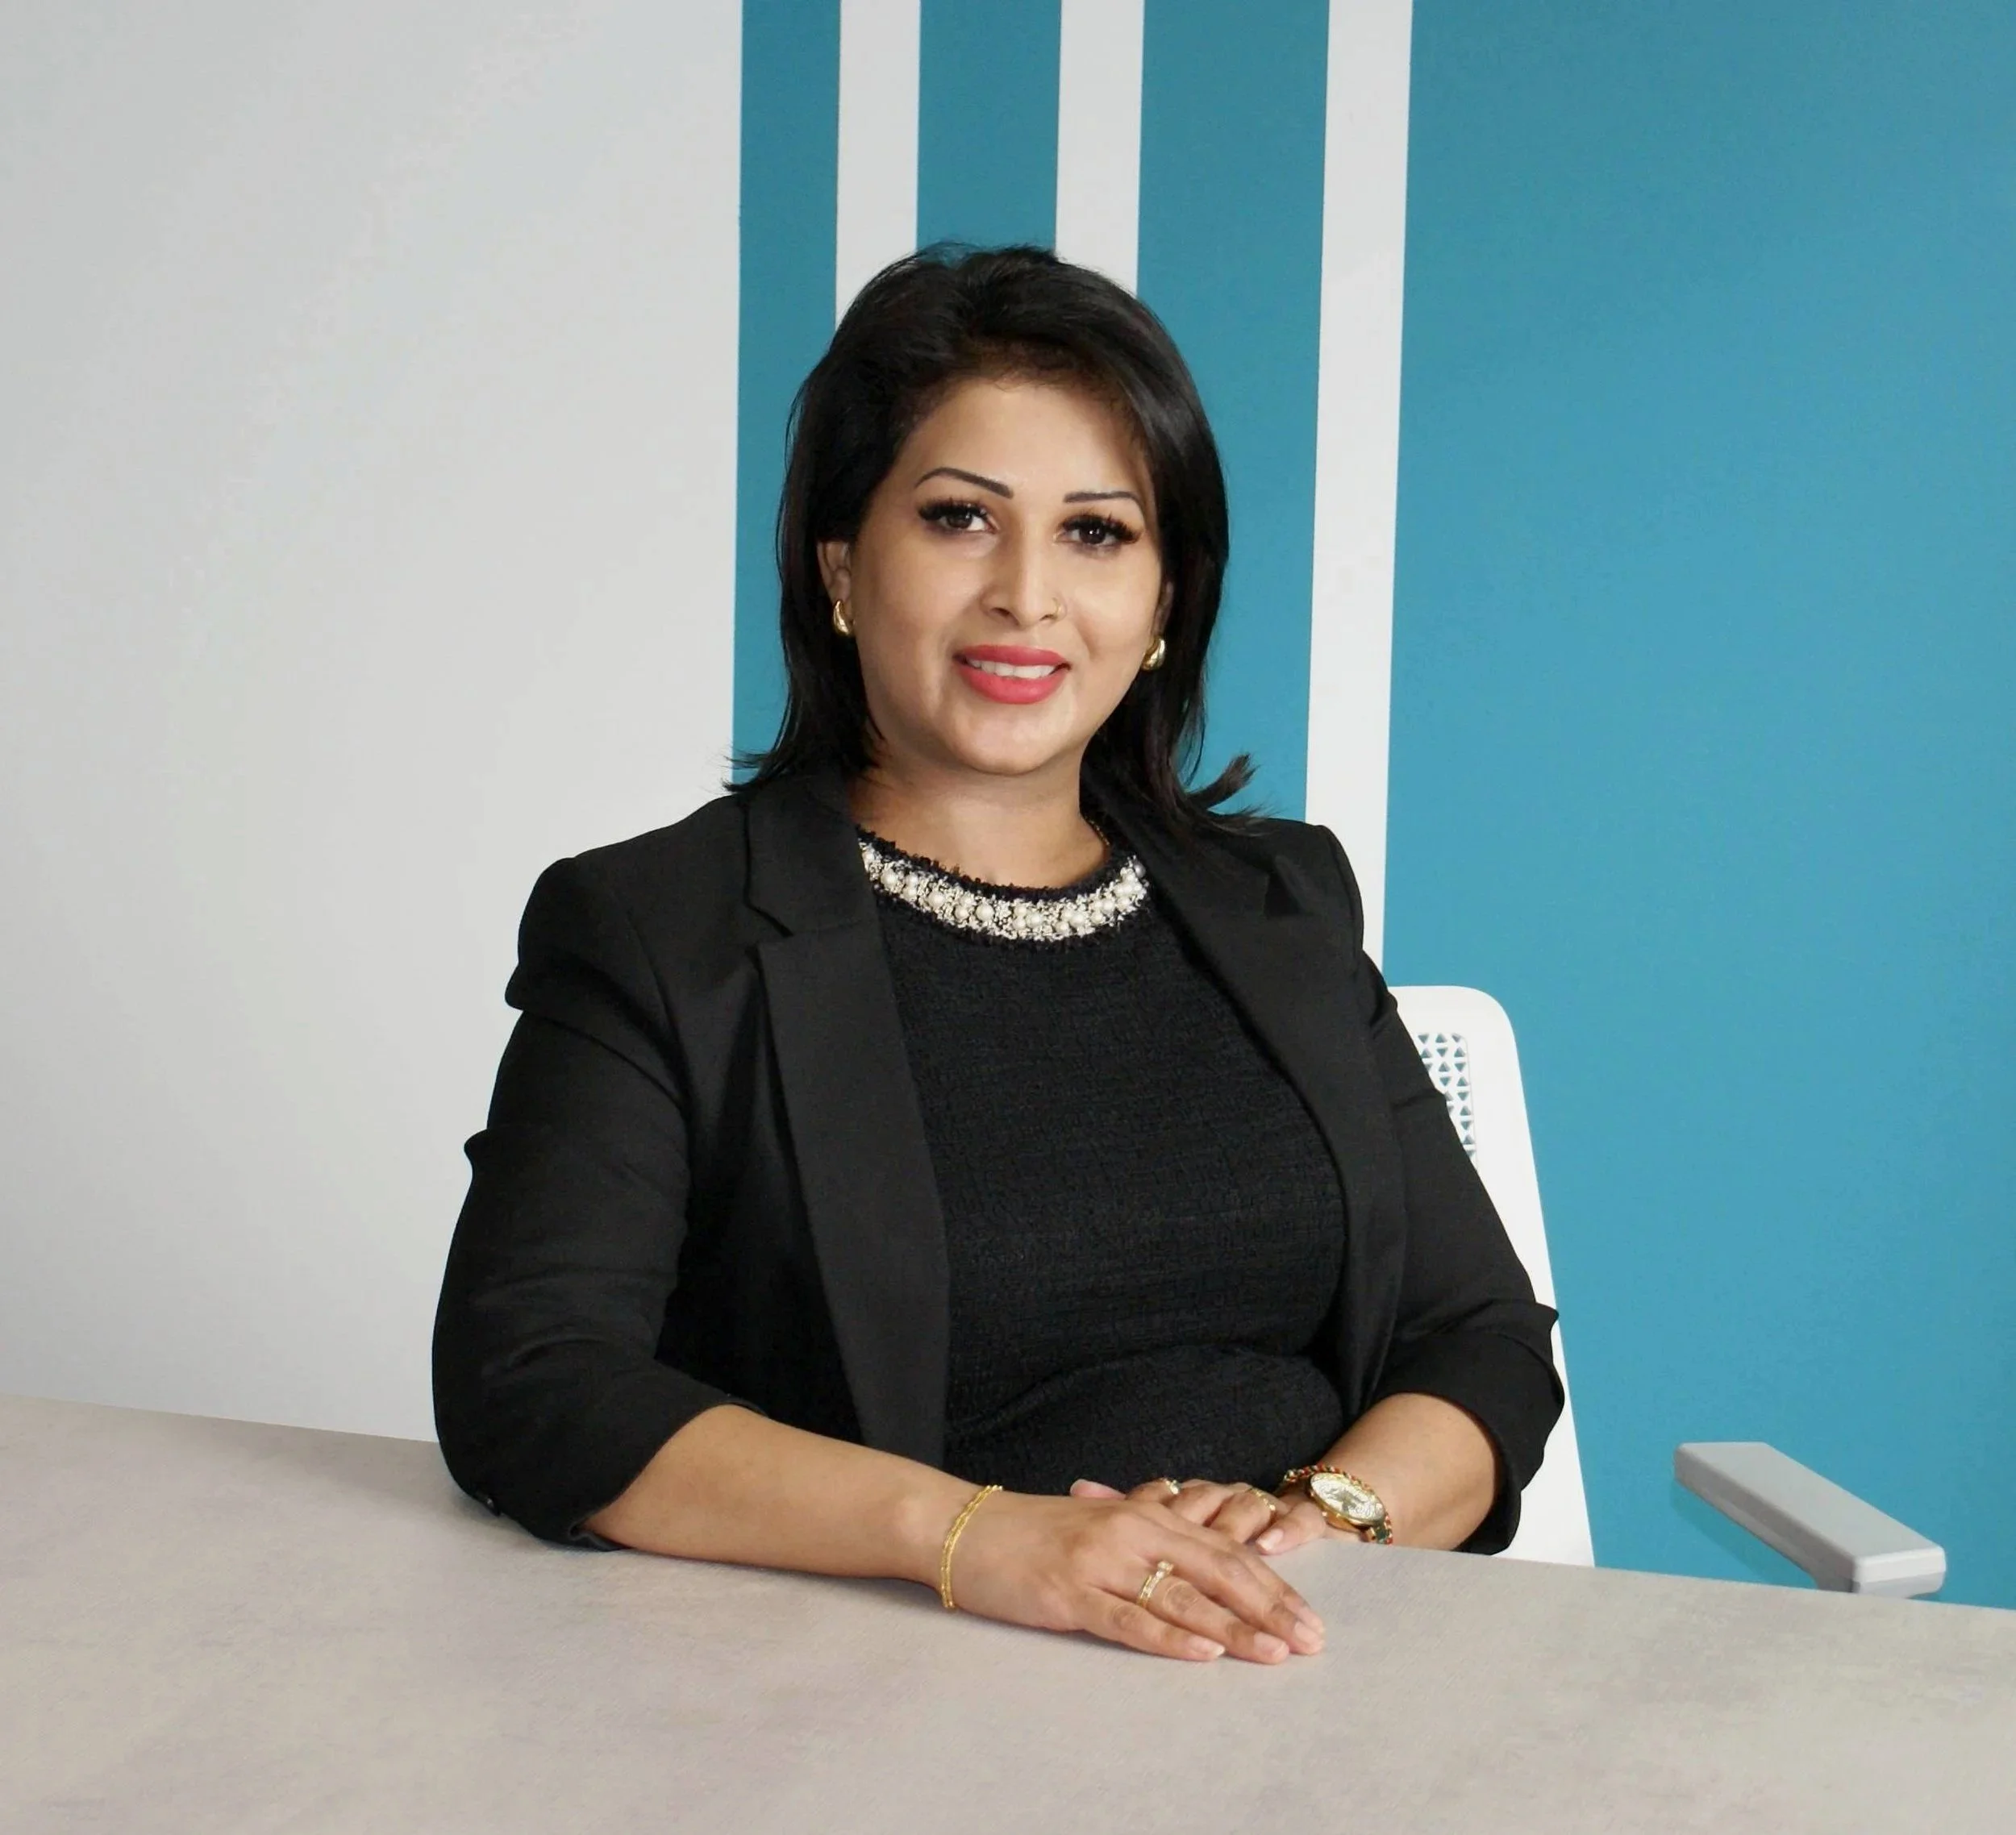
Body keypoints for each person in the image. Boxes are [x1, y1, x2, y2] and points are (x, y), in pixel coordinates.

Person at [433, 246, 1562, 1666]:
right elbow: (531, 1382)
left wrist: (1305, 1531)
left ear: (1164, 604)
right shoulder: (663, 931)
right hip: (885, 1694)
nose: (1028, 595)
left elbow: (1485, 1341)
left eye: (1098, 533)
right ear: (843, 566)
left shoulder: (1283, 906)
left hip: (1310, 1671)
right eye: (962, 518)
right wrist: (981, 1539)